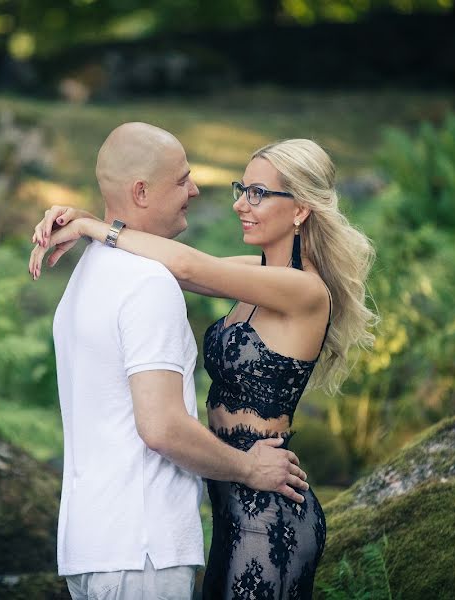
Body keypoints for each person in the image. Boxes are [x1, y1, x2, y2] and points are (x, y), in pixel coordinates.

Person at [30, 129, 377, 600]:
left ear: (299, 209)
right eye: (242, 190)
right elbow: (179, 261)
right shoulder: (257, 273)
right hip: (234, 501)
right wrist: (91, 219)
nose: (240, 203)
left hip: (267, 507)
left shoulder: (306, 290)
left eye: (258, 193)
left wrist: (96, 227)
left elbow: (189, 269)